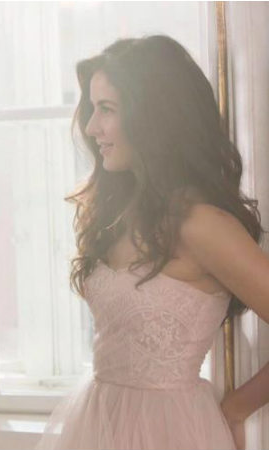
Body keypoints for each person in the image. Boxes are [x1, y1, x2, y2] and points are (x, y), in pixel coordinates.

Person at [37, 35, 269, 450]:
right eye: (92, 109)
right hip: (98, 421)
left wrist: (237, 408)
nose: (91, 127)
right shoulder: (119, 211)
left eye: (106, 109)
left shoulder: (202, 225)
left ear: (153, 117)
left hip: (174, 432)